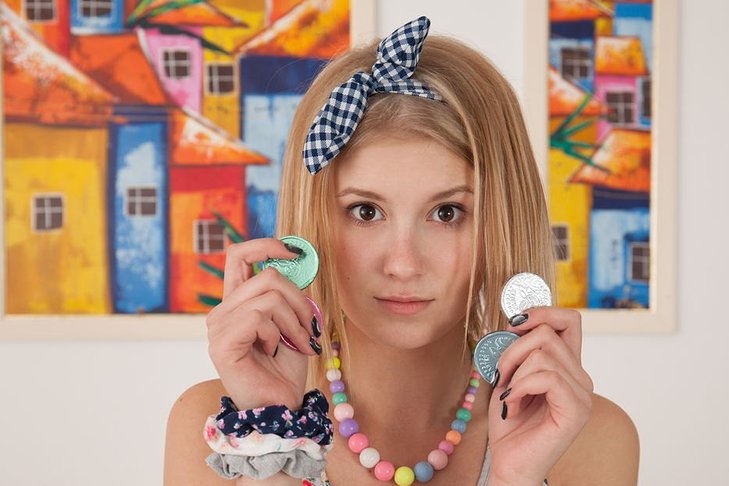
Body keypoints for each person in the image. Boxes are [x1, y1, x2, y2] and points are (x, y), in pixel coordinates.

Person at [164, 17, 639, 486]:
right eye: (366, 211)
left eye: (448, 213)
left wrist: (516, 477)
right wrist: (271, 434)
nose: (403, 264)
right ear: (314, 220)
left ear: (503, 222)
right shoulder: (220, 430)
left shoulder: (587, 439)